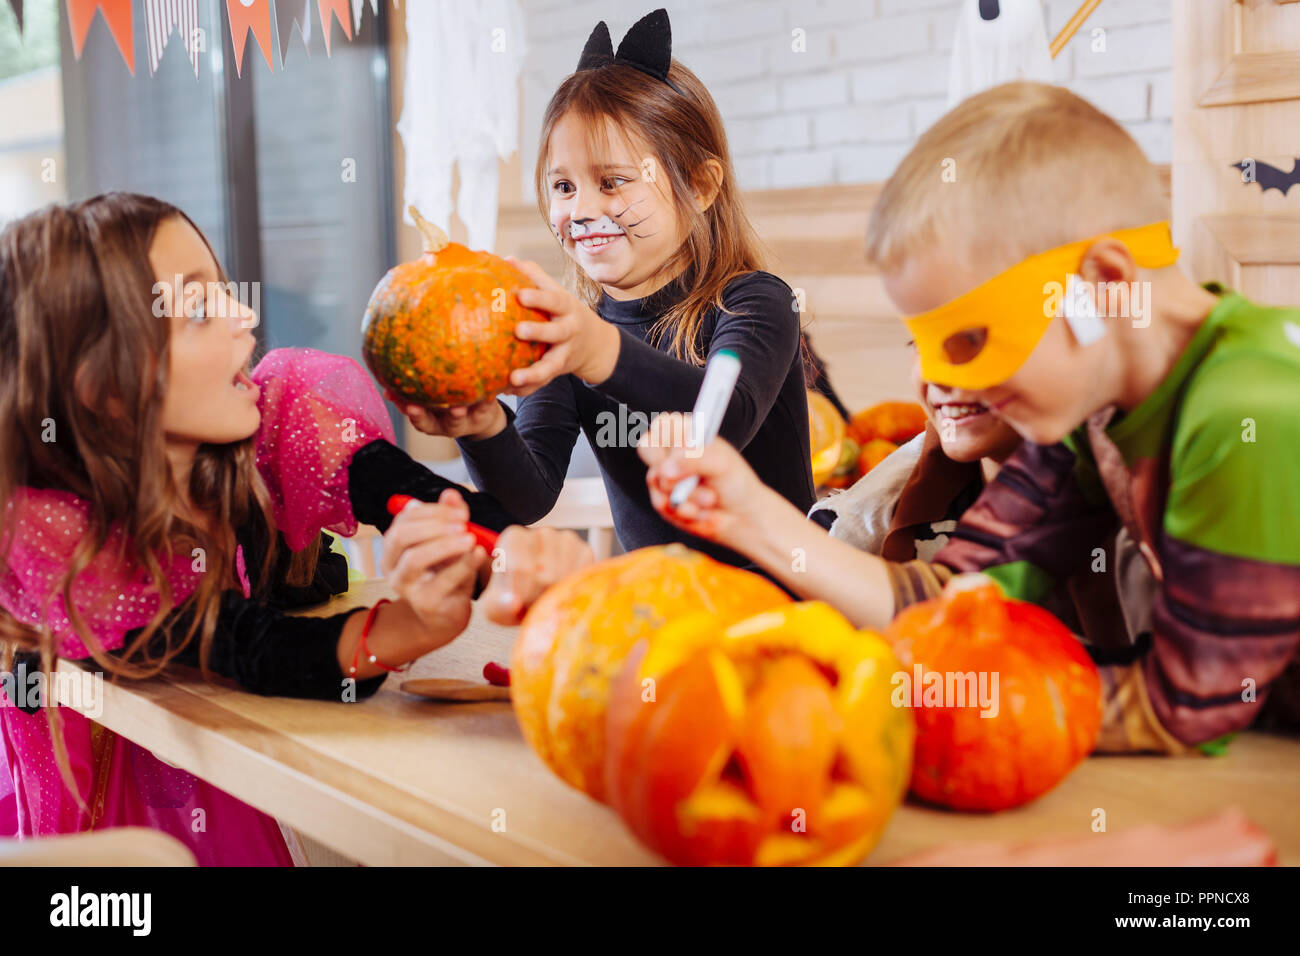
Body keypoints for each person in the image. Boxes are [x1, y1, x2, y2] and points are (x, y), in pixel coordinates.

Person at [637, 82, 1300, 753]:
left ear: (1103, 287)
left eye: (971, 341)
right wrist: (750, 515)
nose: (940, 383)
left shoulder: (1244, 412)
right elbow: (955, 601)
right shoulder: (1092, 407)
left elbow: (1185, 707)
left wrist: (934, 699)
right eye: (923, 346)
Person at [0, 194, 591, 863]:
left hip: (223, 761)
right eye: (199, 309)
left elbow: (421, 498)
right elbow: (246, 646)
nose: (245, 316)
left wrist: (510, 554)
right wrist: (405, 630)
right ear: (102, 388)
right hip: (111, 804)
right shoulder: (60, 537)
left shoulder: (275, 413)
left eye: (226, 291)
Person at [395, 9, 814, 581]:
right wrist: (482, 425)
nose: (583, 210)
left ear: (700, 184)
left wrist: (598, 352)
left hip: (782, 615)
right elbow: (530, 496)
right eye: (564, 186)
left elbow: (723, 418)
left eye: (612, 182)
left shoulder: (756, 303)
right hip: (657, 616)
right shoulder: (573, 334)